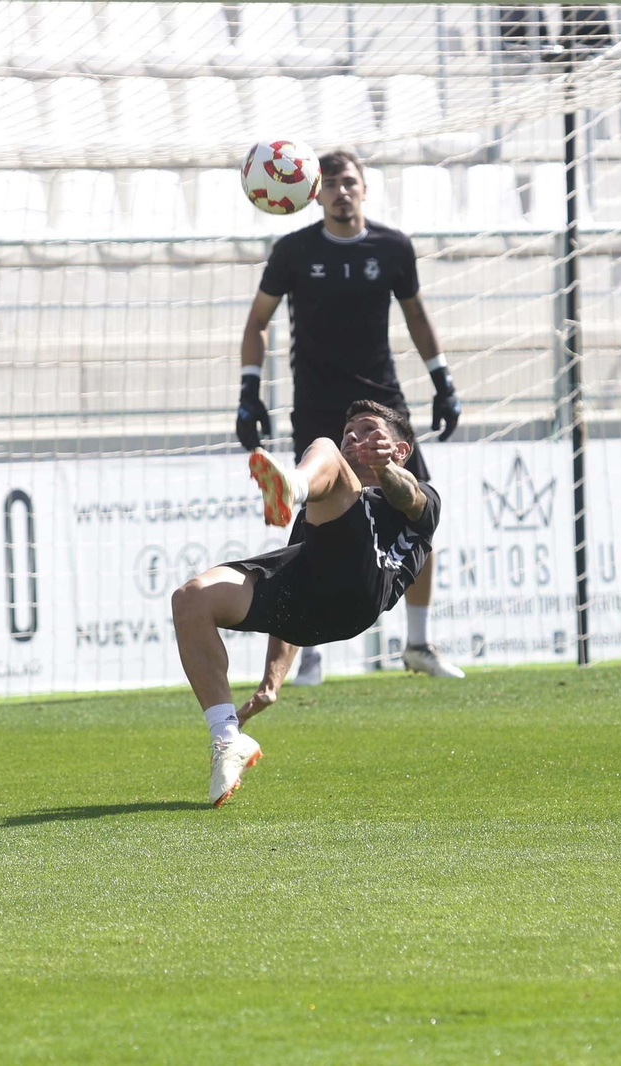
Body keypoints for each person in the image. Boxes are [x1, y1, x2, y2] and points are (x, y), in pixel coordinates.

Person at [236, 148, 463, 685]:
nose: (342, 191)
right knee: (310, 532)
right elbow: (257, 323)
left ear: (364, 189)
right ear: (315, 191)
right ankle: (307, 654)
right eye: (333, 183)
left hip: (384, 407)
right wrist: (249, 392)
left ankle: (418, 643)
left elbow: (417, 317)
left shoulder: (392, 247)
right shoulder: (293, 251)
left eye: (350, 182)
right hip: (318, 408)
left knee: (418, 511)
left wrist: (443, 381)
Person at [174, 402, 443, 806]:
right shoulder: (319, 512)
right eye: (349, 429)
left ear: (401, 450)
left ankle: (292, 484)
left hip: (362, 589)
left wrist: (385, 469)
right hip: (314, 608)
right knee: (191, 599)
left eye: (368, 429)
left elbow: (411, 498)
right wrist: (271, 683)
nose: (354, 436)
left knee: (323, 449)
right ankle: (227, 739)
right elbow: (295, 592)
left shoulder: (418, 500)